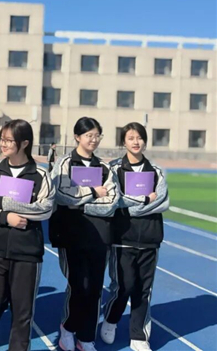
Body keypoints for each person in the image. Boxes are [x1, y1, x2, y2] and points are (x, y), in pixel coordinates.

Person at [0, 119, 55, 351]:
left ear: (24, 143)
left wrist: (5, 204)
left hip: (27, 251)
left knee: (23, 309)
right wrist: (4, 217)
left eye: (9, 140)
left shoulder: (40, 174)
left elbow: (45, 208)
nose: (3, 144)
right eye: (2, 139)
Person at [49, 117, 117, 351]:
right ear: (77, 137)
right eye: (89, 135)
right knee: (79, 285)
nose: (94, 140)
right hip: (71, 235)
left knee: (95, 288)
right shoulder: (65, 163)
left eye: (97, 135)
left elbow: (112, 201)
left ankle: (86, 337)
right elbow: (62, 194)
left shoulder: (104, 167)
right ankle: (68, 328)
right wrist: (93, 193)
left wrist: (80, 202)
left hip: (99, 236)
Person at [101, 122, 169, 351]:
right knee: (123, 286)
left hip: (150, 237)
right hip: (122, 237)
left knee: (143, 289)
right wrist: (146, 201)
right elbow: (115, 200)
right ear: (124, 142)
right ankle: (111, 319)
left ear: (145, 141)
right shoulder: (114, 169)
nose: (136, 142)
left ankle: (138, 335)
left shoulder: (156, 170)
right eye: (131, 138)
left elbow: (163, 202)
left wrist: (130, 206)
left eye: (139, 137)